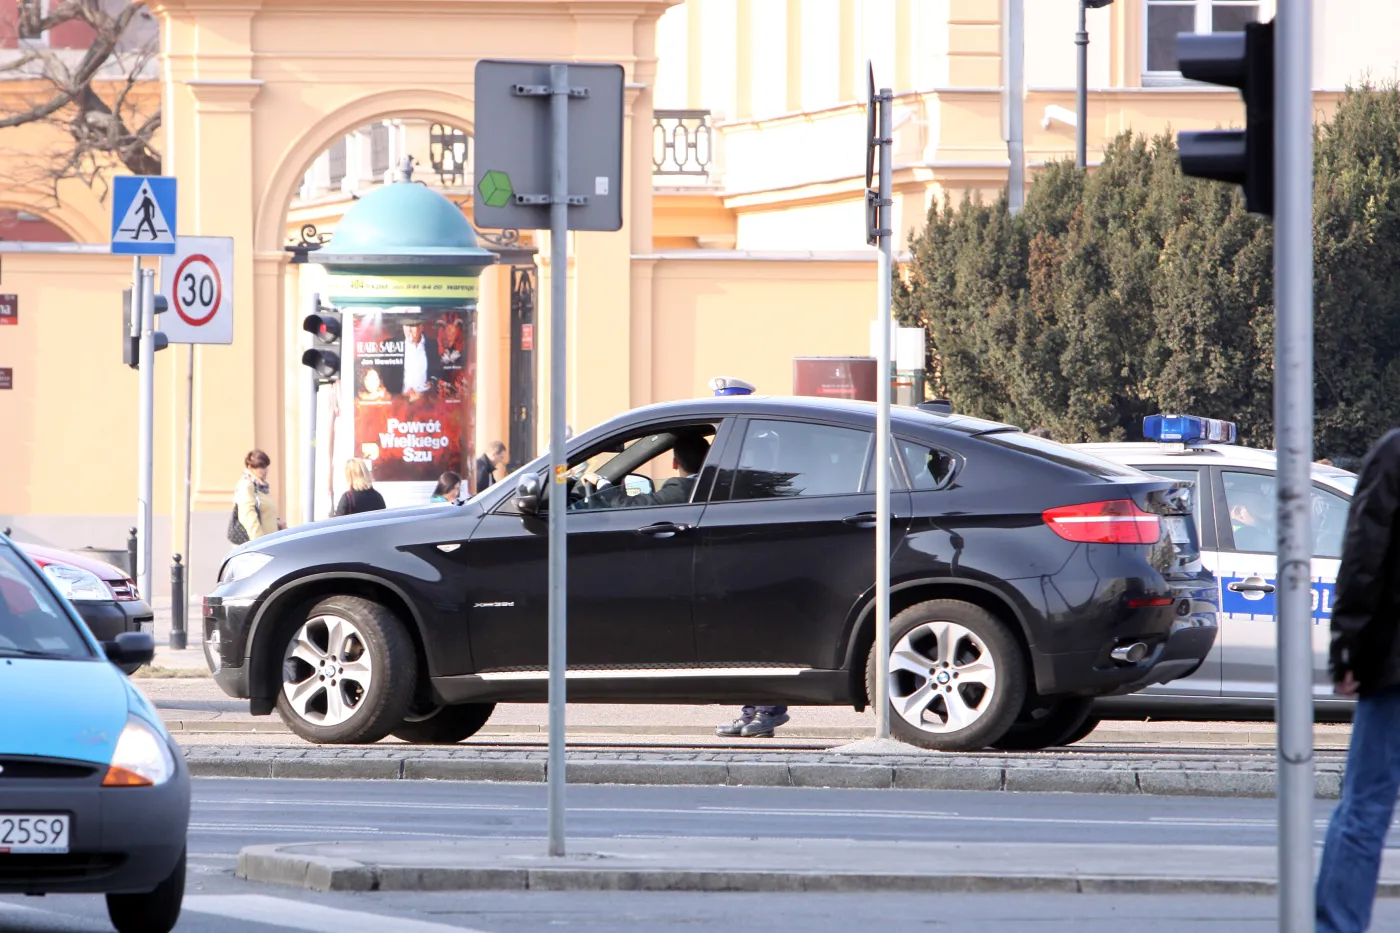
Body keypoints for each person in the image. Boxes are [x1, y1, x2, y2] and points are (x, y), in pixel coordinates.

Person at [1317, 429, 1400, 932]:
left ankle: (1338, 926)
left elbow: (1365, 557)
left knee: (1365, 806)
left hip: (1395, 666)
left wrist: (1348, 646)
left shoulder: (1393, 453)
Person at [575, 434, 709, 510]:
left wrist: (600, 481)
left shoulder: (682, 489)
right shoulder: (715, 485)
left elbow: (627, 506)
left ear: (675, 464)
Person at [231, 449, 284, 543]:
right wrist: (259, 542)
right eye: (261, 467)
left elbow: (263, 514)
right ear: (250, 467)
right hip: (257, 547)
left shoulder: (260, 487)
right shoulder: (247, 486)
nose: (265, 471)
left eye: (266, 467)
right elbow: (248, 516)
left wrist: (277, 523)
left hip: (267, 543)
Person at [399, 318, 442, 402]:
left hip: (425, 398)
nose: (409, 330)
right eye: (406, 326)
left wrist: (432, 381)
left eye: (412, 326)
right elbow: (387, 373)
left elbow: (437, 368)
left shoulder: (431, 344)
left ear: (421, 328)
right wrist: (403, 390)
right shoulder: (395, 344)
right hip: (402, 399)